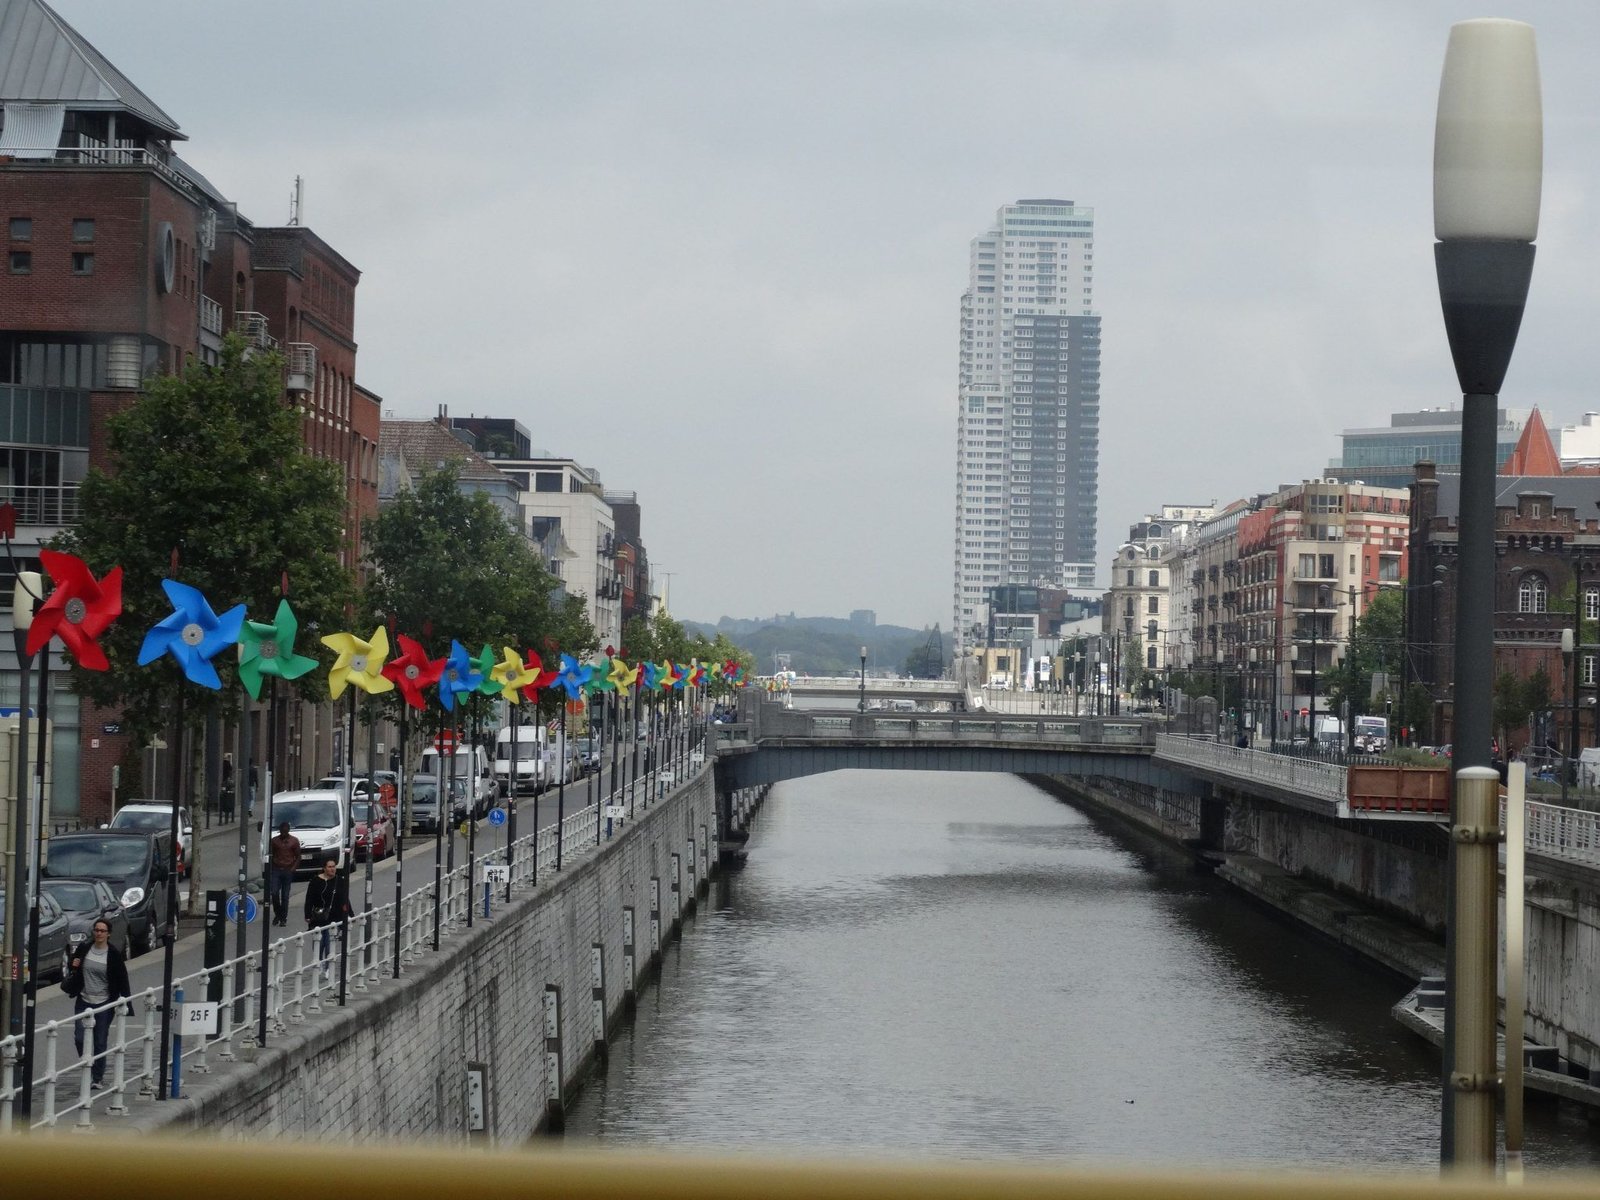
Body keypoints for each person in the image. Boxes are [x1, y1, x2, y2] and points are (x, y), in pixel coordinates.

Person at [64, 919, 132, 1089]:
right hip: (83, 1000)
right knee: (80, 1038)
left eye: (102, 931)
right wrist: (73, 964)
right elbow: (73, 964)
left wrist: (126, 1003)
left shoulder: (113, 954)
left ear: (108, 934)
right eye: (96, 930)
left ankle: (97, 1077)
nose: (99, 933)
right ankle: (89, 1065)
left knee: (100, 1041)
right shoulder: (84, 948)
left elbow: (122, 979)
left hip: (104, 1003)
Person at [304, 858, 350, 976]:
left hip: (335, 916)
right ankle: (318, 963)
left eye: (334, 866)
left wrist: (350, 915)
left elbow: (345, 899)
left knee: (330, 942)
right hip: (319, 917)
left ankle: (329, 967)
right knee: (319, 942)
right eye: (329, 867)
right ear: (324, 868)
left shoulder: (339, 881)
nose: (332, 869)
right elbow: (309, 899)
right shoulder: (315, 881)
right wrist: (307, 914)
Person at [268, 821, 301, 927]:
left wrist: (293, 869)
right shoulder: (274, 841)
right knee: (274, 893)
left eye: (285, 832)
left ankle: (283, 918)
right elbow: (271, 855)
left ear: (288, 831)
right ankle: (278, 914)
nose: (284, 833)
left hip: (288, 870)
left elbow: (298, 856)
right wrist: (272, 867)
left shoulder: (294, 841)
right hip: (277, 870)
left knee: (285, 896)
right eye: (282, 831)